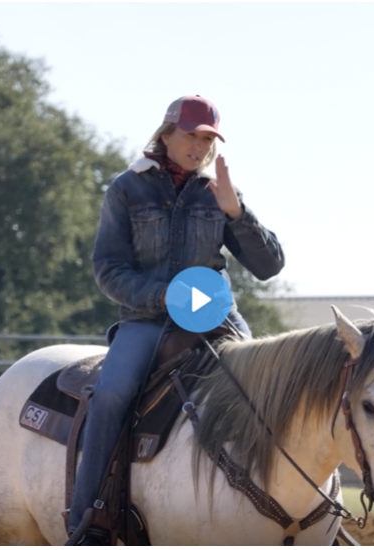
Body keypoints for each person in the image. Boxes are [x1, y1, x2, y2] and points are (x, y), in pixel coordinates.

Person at [67, 95, 286, 544]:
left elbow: (270, 266)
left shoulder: (219, 192)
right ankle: (89, 519)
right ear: (166, 133)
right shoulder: (127, 189)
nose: (200, 146)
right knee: (110, 395)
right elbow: (109, 269)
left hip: (216, 318)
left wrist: (237, 214)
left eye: (208, 139)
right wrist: (161, 296)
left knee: (265, 388)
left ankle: (298, 511)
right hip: (147, 320)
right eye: (192, 135)